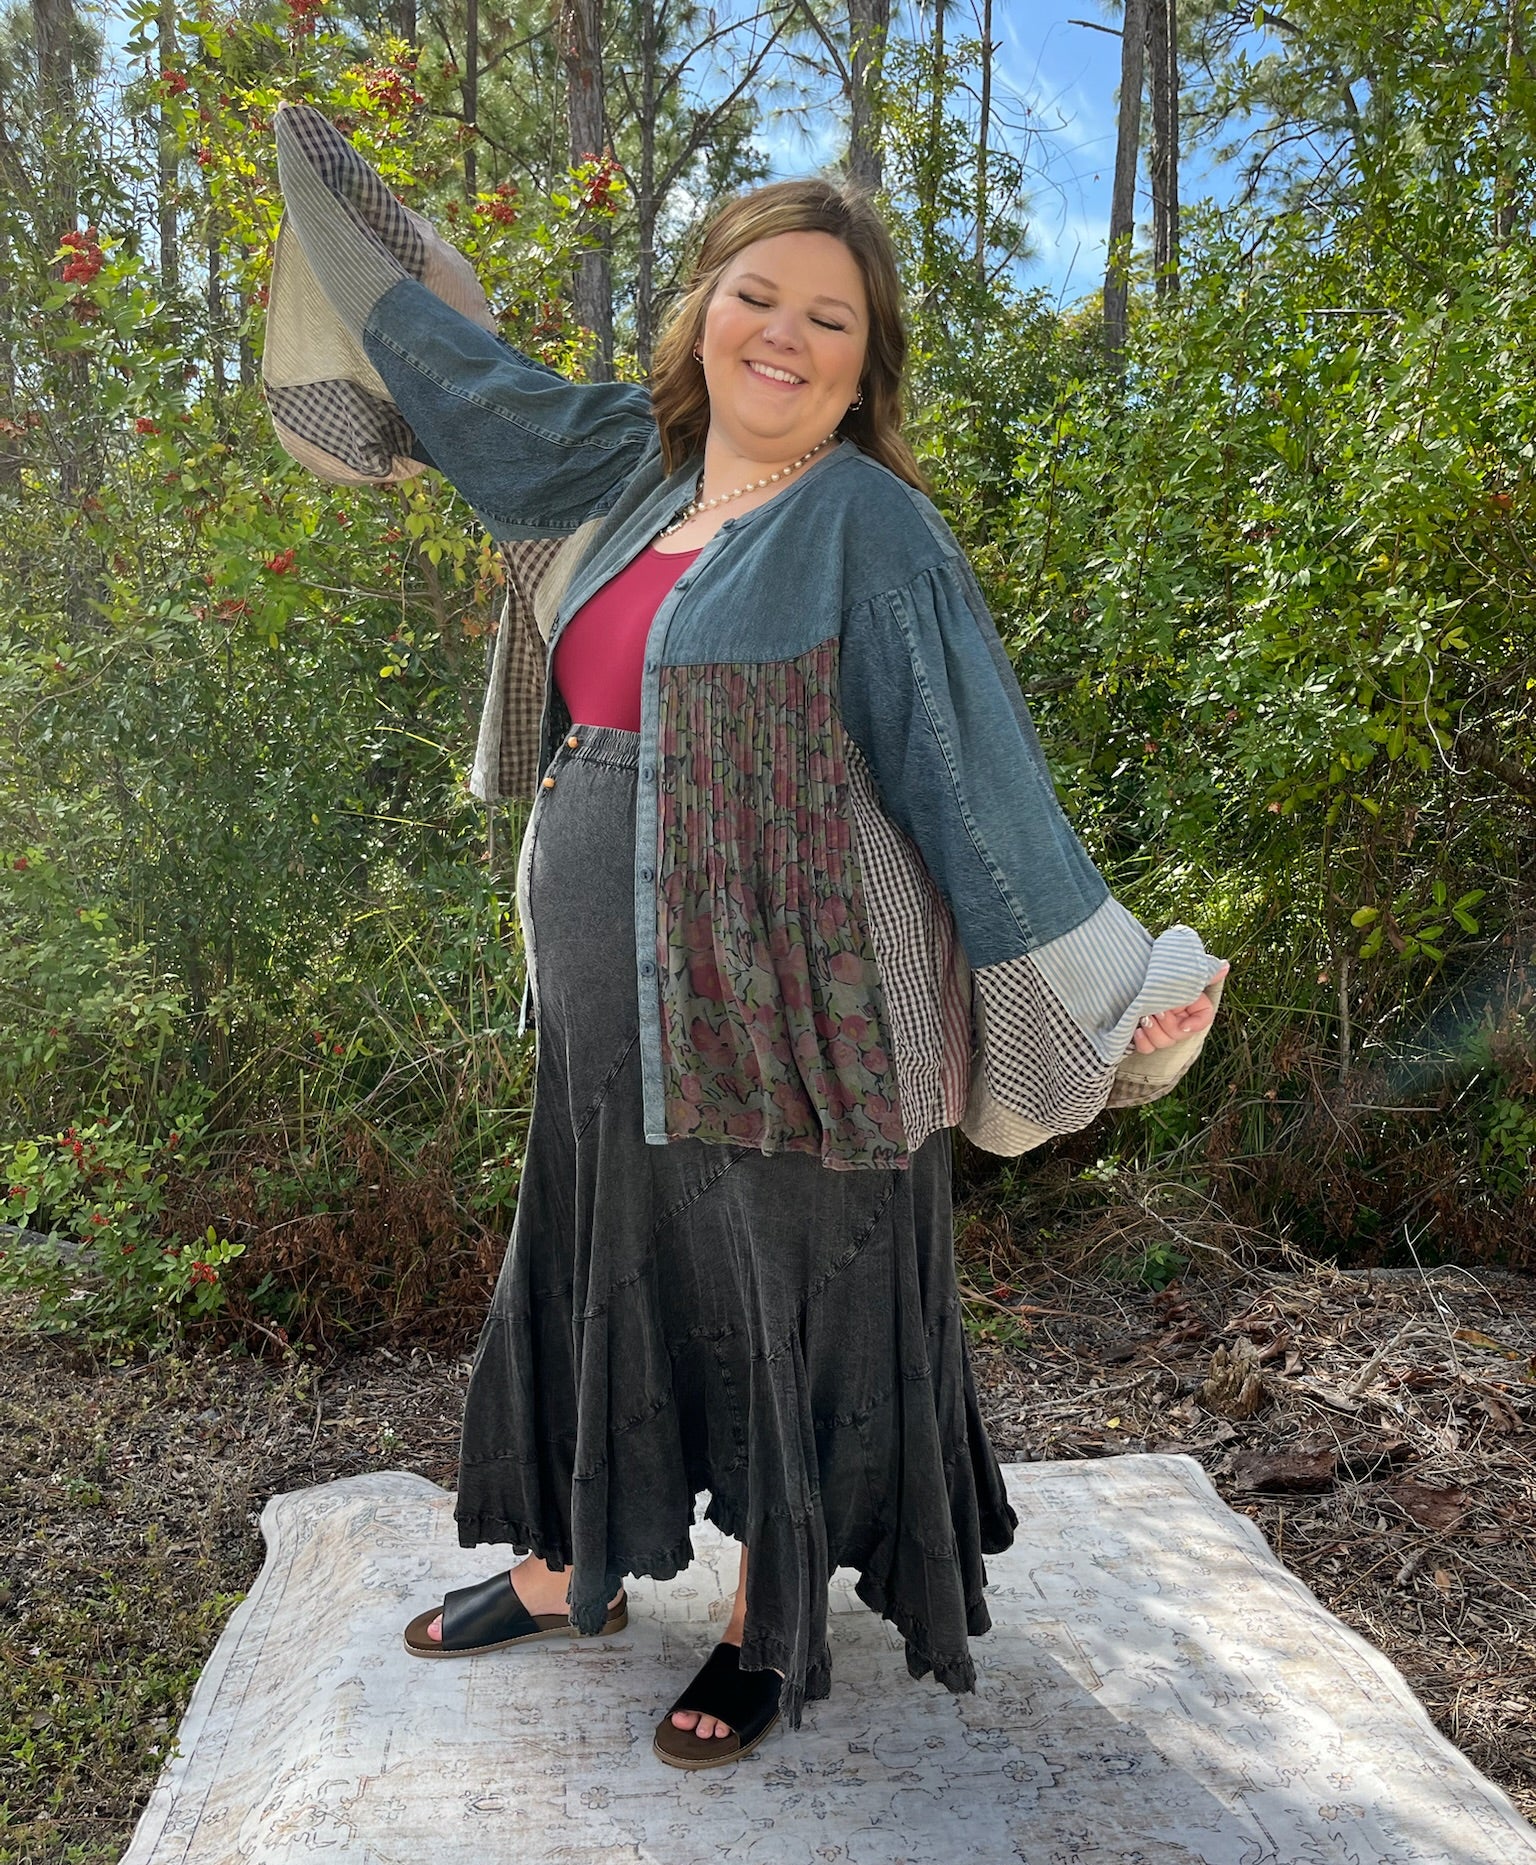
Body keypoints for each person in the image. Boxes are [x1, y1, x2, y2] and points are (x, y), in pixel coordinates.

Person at [264, 102, 1229, 1771]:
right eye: (755, 295)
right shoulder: (615, 469)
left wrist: (1098, 993)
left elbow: (978, 786)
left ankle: (770, 1613)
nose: (783, 333)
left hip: (802, 1000)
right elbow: (451, 377)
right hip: (604, 986)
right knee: (600, 1245)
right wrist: (332, 199)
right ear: (702, 311)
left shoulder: (873, 529)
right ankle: (570, 1564)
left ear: (865, 368)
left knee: (790, 1285)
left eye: (827, 318)